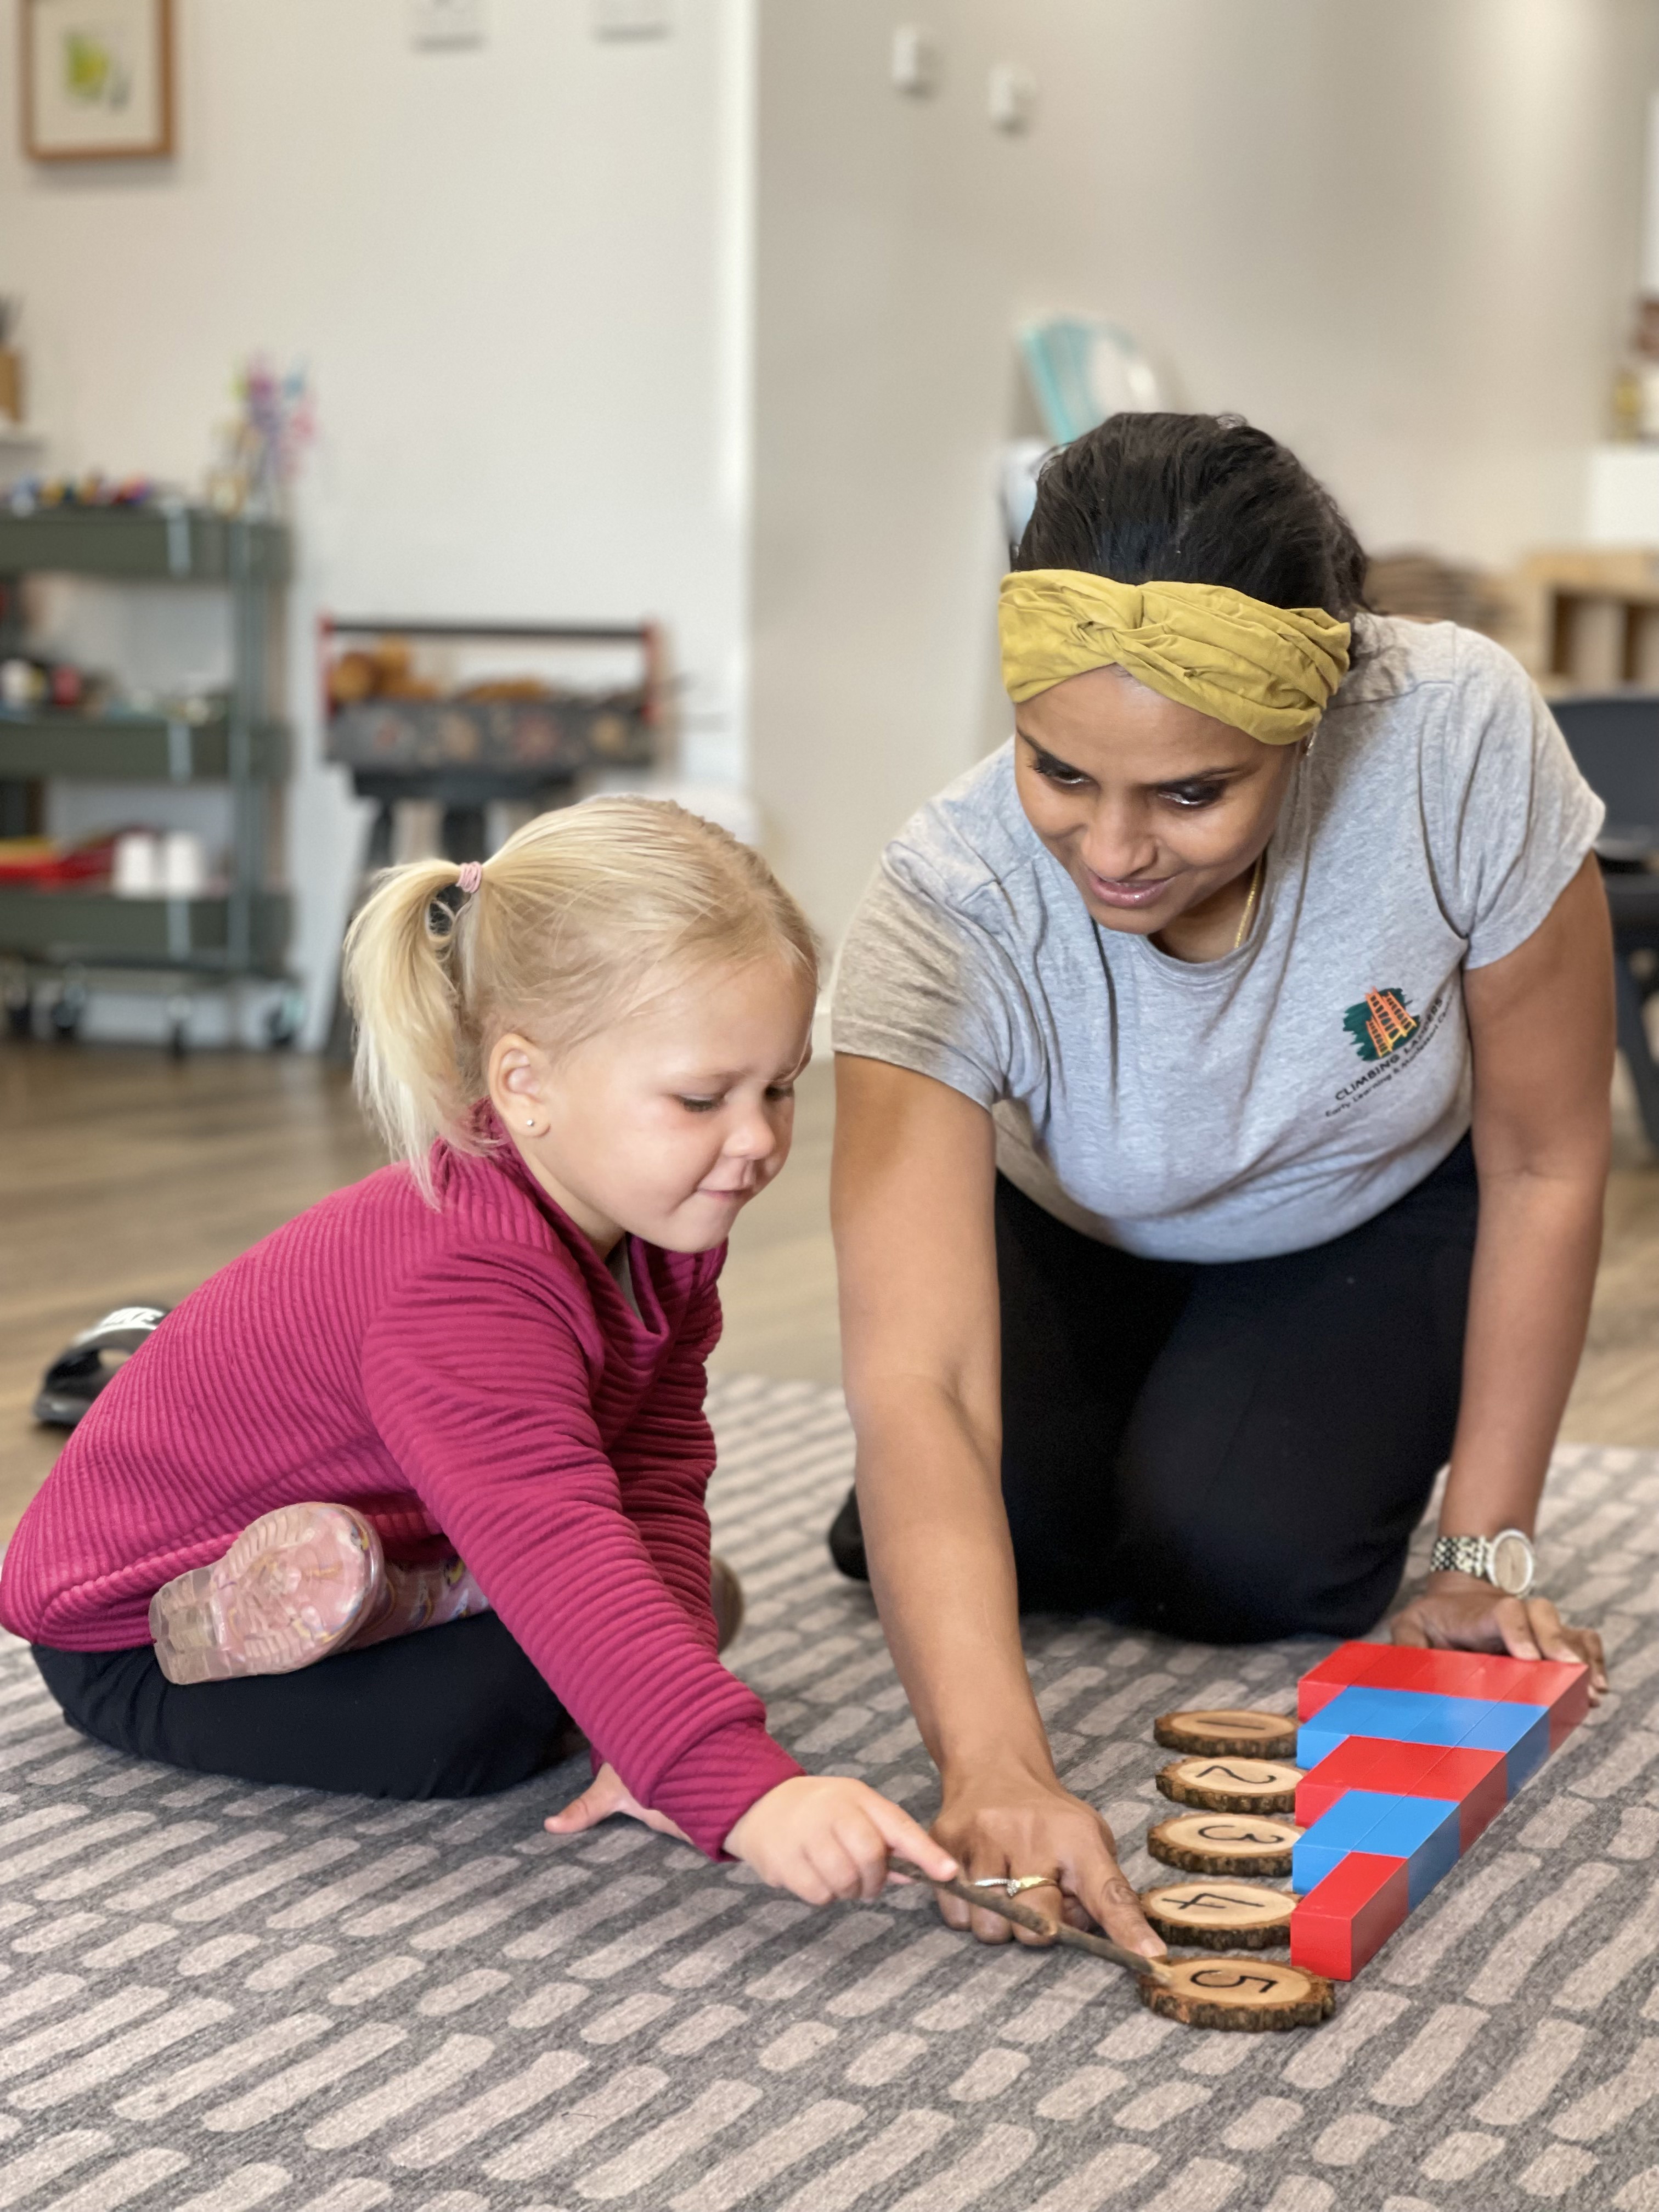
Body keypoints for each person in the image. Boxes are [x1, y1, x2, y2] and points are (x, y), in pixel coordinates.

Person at [829, 413, 1613, 1957]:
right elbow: (919, 1376)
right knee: (1001, 1530)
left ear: (1309, 726)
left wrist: (1480, 1553)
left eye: (1192, 795)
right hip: (1072, 1223)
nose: (1111, 851)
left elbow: (1546, 1153)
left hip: (1367, 1207)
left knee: (1238, 1560)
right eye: (1060, 770)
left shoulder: (1453, 732)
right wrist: (993, 1768)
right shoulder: (949, 896)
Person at [3, 799, 955, 1909]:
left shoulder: (656, 1229)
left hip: (425, 1523)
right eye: (703, 1099)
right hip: (131, 1637)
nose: (756, 1141)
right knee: (488, 1717)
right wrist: (738, 1791)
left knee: (668, 1603)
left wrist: (653, 1727)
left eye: (781, 1088)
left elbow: (650, 1466)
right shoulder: (462, 1284)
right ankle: (363, 1604)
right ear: (524, 1086)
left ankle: (419, 1595)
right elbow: (555, 1535)